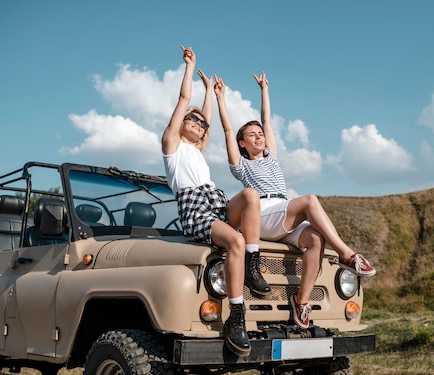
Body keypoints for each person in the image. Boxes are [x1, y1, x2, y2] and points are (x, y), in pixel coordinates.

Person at [214, 71, 376, 330]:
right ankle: (347, 254)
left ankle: (301, 301)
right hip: (262, 213)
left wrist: (264, 90)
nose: (259, 137)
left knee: (315, 239)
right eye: (252, 135)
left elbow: (267, 119)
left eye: (260, 134)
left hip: (282, 213)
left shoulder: (272, 157)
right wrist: (220, 98)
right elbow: (227, 128)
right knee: (310, 201)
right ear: (242, 144)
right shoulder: (241, 166)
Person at [161, 46, 270, 357]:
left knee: (250, 194)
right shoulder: (172, 145)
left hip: (215, 200)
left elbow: (207, 117)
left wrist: (210, 90)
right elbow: (184, 102)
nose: (198, 123)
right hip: (195, 209)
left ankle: (253, 264)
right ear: (182, 123)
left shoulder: (196, 150)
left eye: (202, 124)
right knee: (234, 240)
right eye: (192, 120)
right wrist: (190, 67)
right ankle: (236, 317)